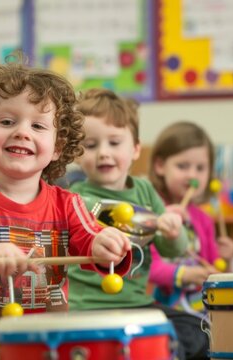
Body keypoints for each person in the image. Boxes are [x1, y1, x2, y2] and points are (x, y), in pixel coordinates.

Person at [0, 57, 132, 319]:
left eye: (38, 126)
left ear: (57, 148)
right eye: (7, 122)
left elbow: (93, 241)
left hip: (43, 338)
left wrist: (105, 246)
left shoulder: (68, 204)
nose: (22, 132)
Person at [67, 89, 209, 360]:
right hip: (85, 308)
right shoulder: (76, 198)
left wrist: (173, 229)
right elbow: (99, 218)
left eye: (114, 142)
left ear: (135, 149)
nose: (103, 153)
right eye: (92, 145)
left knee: (199, 329)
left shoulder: (144, 190)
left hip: (137, 304)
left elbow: (171, 250)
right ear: (76, 152)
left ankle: (159, 352)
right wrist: (153, 218)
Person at [148, 121, 233, 317]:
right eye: (182, 166)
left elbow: (214, 271)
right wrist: (185, 274)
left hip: (200, 309)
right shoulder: (152, 212)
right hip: (163, 309)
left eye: (200, 168)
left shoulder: (204, 219)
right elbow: (148, 267)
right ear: (160, 166)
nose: (192, 175)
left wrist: (227, 258)